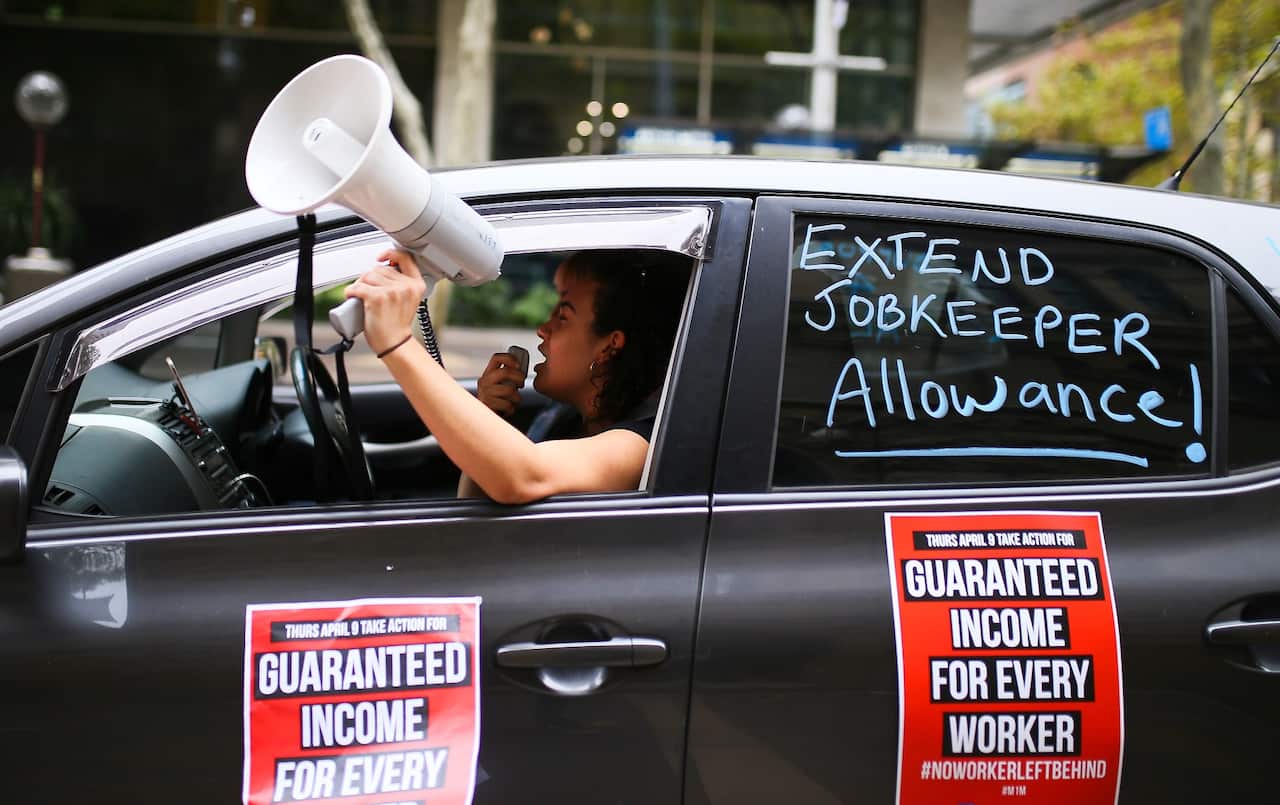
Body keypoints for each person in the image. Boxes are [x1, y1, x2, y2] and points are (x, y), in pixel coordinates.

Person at [345, 248, 690, 503]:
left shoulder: (640, 446)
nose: (543, 328)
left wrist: (396, 342)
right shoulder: (562, 417)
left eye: (563, 316)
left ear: (609, 346)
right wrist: (489, 414)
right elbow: (475, 505)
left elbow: (525, 476)